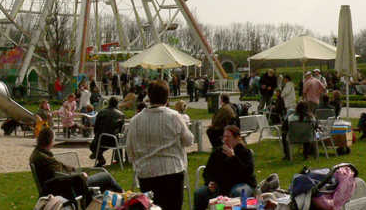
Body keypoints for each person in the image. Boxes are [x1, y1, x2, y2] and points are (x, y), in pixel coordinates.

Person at [126, 80, 194, 210]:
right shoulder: (174, 116)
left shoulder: (135, 120)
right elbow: (189, 140)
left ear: (149, 97)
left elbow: (130, 149)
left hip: (146, 172)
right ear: (167, 97)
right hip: (172, 171)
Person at [30, 127, 122, 207]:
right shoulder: (46, 159)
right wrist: (79, 175)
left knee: (104, 181)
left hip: (65, 185)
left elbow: (59, 173)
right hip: (71, 185)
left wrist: (73, 171)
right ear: (50, 141)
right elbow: (61, 176)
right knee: (106, 177)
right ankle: (125, 198)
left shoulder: (38, 154)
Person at [193, 125, 256, 210]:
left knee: (238, 192)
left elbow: (247, 172)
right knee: (200, 193)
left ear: (237, 138)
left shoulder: (244, 152)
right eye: (224, 137)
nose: (225, 139)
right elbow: (207, 172)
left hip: (242, 183)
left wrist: (233, 158)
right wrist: (210, 182)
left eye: (228, 137)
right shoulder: (217, 153)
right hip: (221, 185)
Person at [90, 97, 125, 166]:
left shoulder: (101, 112)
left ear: (109, 103)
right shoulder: (121, 114)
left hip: (101, 139)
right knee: (119, 137)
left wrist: (96, 136)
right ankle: (118, 158)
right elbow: (121, 131)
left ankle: (100, 157)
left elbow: (96, 127)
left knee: (92, 146)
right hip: (114, 140)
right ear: (117, 104)